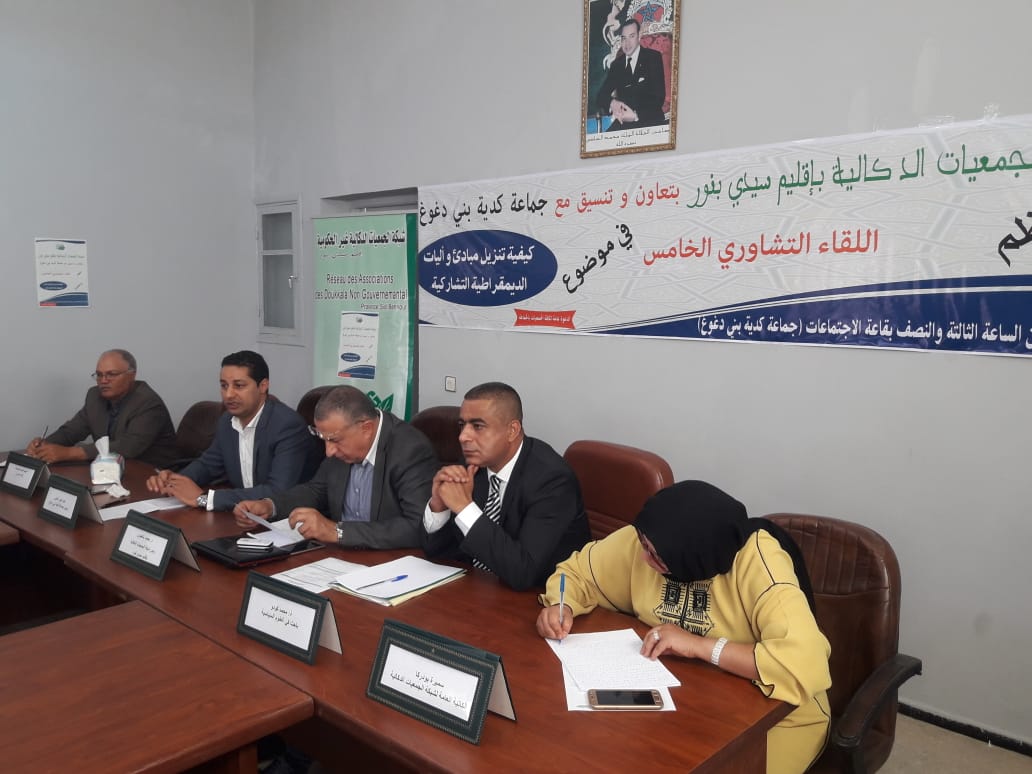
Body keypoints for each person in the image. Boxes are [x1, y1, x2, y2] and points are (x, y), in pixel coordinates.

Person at [536, 481, 832, 774]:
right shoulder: (652, 538)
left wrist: (699, 646)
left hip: (774, 719)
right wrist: (563, 605)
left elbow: (802, 664)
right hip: (685, 707)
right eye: (643, 545)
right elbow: (577, 572)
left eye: (655, 555)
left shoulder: (758, 561)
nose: (643, 558)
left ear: (693, 554)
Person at [422, 382, 591, 591]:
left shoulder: (552, 480)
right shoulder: (473, 465)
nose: (463, 436)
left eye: (477, 426)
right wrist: (439, 507)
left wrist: (465, 509)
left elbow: (523, 572)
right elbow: (444, 554)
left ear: (512, 430)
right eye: (462, 425)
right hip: (482, 590)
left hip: (544, 598)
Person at [233, 385, 436, 549]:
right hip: (340, 557)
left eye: (334, 440)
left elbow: (417, 526)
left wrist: (337, 531)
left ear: (366, 428)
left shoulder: (410, 450)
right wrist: (270, 506)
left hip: (391, 563)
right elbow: (316, 491)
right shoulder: (341, 444)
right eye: (323, 439)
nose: (329, 451)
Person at [146, 350, 319, 511]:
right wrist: (175, 481)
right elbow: (208, 465)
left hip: (288, 518)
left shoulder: (287, 426)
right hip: (244, 514)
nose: (228, 394)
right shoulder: (227, 421)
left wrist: (206, 499)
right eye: (224, 385)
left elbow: (278, 491)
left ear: (263, 386)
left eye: (239, 386)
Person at [25, 349, 178, 469]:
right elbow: (71, 431)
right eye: (99, 375)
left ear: (132, 375)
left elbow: (128, 447)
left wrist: (69, 453)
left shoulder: (148, 402)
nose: (103, 381)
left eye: (111, 374)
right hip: (109, 471)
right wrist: (44, 446)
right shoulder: (94, 396)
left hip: (151, 474)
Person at [595, 17, 667, 129]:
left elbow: (659, 98)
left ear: (639, 36)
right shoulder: (617, 65)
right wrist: (612, 103)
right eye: (623, 38)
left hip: (650, 119)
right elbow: (601, 96)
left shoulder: (653, 57)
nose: (627, 43)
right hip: (624, 122)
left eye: (631, 36)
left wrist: (635, 115)